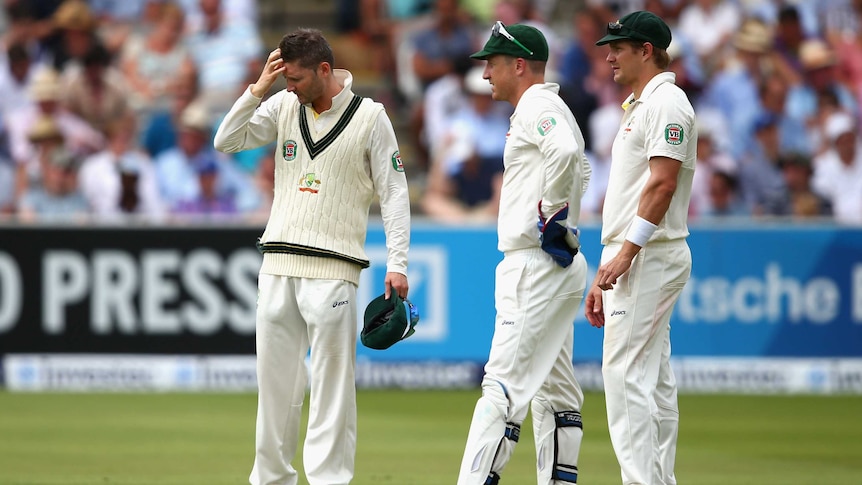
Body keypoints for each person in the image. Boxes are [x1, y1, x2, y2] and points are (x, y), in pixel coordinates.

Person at [212, 28, 411, 485]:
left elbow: (395, 193)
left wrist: (397, 262)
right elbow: (227, 141)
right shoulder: (283, 105)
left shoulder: (371, 116)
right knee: (275, 389)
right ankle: (271, 479)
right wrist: (257, 89)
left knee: (331, 390)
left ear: (325, 69)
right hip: (277, 267)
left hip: (335, 271)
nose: (290, 87)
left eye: (297, 79)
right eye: (285, 79)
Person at [457, 22, 591, 485]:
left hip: (535, 264)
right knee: (555, 389)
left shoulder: (537, 104)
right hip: (554, 263)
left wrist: (553, 215)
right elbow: (583, 169)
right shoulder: (549, 106)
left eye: (492, 64)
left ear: (519, 64)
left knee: (501, 386)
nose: (486, 74)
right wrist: (563, 216)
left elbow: (568, 151)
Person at [587, 11, 697, 485]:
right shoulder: (642, 104)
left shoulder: (667, 102)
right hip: (638, 253)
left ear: (646, 50)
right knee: (652, 377)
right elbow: (637, 192)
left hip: (649, 255)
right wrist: (607, 265)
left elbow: (662, 185)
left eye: (618, 47)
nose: (609, 56)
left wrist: (626, 255)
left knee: (625, 373)